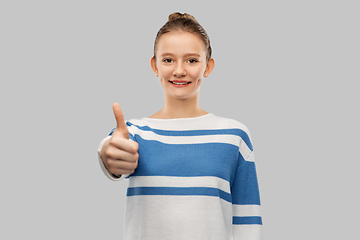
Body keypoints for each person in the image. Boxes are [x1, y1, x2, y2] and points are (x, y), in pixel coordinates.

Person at [98, 12, 263, 240]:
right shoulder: (135, 133)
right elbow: (115, 151)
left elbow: (248, 223)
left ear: (208, 66)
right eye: (168, 60)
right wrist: (109, 153)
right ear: (154, 66)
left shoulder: (234, 136)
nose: (179, 70)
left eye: (192, 60)